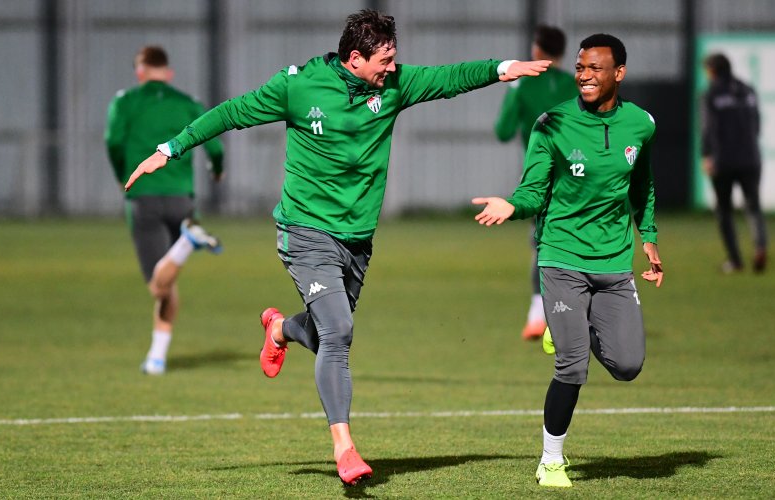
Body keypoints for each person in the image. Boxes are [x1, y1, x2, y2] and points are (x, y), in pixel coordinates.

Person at [124, 9, 551, 486]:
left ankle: (280, 329)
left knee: (326, 330)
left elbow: (449, 78)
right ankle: (344, 448)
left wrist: (502, 68)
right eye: (385, 60)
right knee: (339, 332)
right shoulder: (299, 85)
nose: (393, 67)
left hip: (358, 240)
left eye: (394, 58)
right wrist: (169, 149)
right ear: (354, 58)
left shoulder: (395, 86)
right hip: (305, 232)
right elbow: (230, 113)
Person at [472, 34, 663, 488]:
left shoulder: (641, 124)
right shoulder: (552, 123)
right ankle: (551, 461)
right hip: (561, 256)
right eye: (580, 67)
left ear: (619, 73)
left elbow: (642, 184)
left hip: (614, 262)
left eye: (595, 68)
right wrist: (512, 205)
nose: (584, 75)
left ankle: (568, 328)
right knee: (573, 365)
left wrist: (649, 237)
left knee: (628, 366)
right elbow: (533, 190)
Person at [104, 45, 225, 376]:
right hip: (181, 198)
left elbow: (113, 142)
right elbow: (215, 145)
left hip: (144, 196)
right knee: (169, 282)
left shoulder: (125, 102)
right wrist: (217, 170)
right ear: (168, 73)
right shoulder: (187, 102)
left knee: (157, 286)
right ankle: (156, 358)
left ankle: (187, 242)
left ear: (139, 73)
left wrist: (122, 175)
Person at [494, 25, 578, 341]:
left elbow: (503, 131)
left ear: (538, 50)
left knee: (542, 242)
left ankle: (537, 315)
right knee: (580, 238)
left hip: (540, 175)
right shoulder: (576, 84)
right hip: (579, 173)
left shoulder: (523, 84)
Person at [701, 52, 768, 274]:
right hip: (751, 157)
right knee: (753, 206)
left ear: (712, 71)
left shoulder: (711, 94)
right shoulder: (747, 90)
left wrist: (707, 155)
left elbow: (708, 128)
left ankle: (735, 260)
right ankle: (760, 246)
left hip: (724, 160)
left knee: (724, 211)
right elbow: (757, 124)